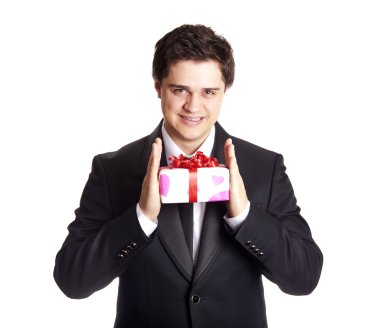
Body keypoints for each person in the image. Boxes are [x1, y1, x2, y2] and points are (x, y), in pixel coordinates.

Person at [54, 24, 323, 328]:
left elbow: (305, 278)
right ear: (158, 86)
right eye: (180, 89)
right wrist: (141, 217)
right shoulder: (113, 169)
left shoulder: (264, 167)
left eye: (209, 92)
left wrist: (245, 217)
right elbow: (71, 281)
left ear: (224, 91)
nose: (193, 106)